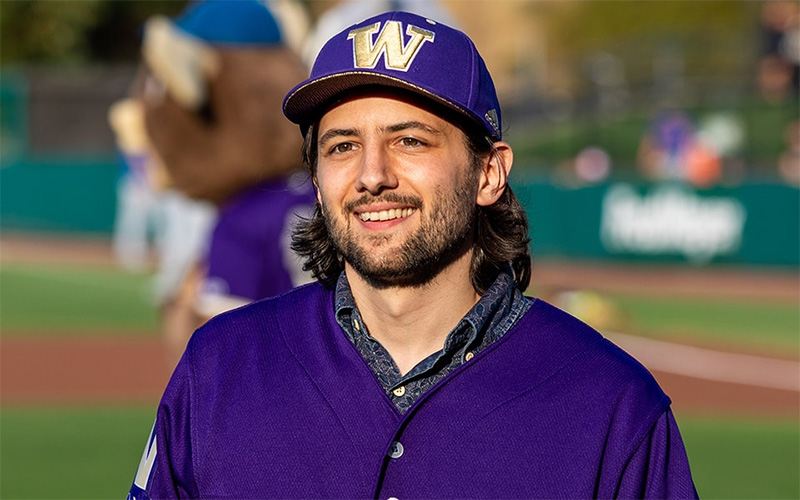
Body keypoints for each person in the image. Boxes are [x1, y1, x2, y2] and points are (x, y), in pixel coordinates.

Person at [128, 11, 697, 499]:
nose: (372, 176)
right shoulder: (219, 366)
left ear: (489, 171)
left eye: (410, 140)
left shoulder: (613, 405)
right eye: (343, 146)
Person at [138, 0, 316, 363]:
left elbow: (216, 363)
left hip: (278, 403)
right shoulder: (331, 191)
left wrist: (181, 313)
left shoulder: (241, 221)